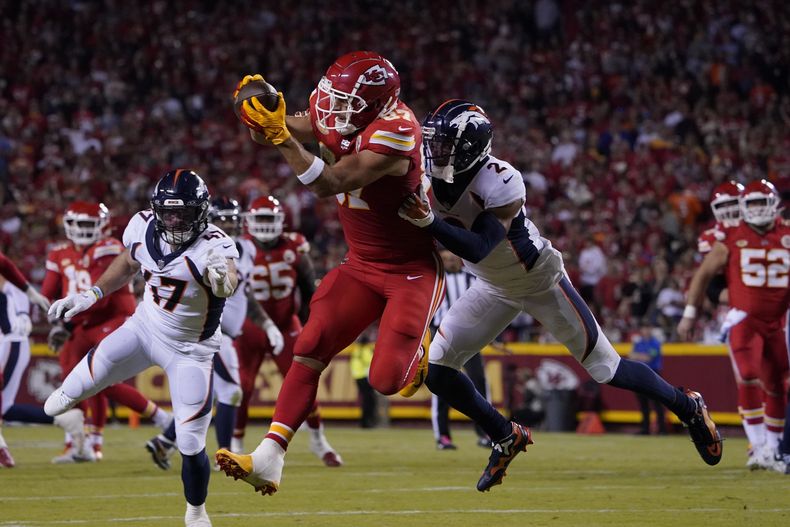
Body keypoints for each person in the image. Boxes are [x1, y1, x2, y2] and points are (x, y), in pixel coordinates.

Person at [398, 99, 723, 491]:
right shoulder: (425, 177)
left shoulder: (501, 180)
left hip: (539, 280)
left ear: (471, 148)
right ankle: (505, 435)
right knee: (438, 370)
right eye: (434, 141)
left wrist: (428, 221)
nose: (435, 151)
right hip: (491, 286)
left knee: (607, 368)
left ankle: (688, 406)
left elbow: (480, 246)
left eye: (446, 144)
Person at [216, 51, 445, 496]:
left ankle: (420, 350)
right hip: (361, 264)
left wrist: (281, 136)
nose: (331, 108)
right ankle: (268, 457)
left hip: (410, 270)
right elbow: (277, 130)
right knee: (309, 346)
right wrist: (257, 110)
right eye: (333, 97)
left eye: (346, 102)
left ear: (377, 104)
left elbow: (329, 183)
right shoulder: (340, 110)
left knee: (384, 381)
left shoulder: (397, 130)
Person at [44, 169, 239, 527]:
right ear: (156, 210)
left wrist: (221, 281)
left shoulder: (215, 243)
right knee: (70, 390)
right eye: (168, 212)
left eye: (183, 212)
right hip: (145, 328)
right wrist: (91, 294)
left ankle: (196, 511)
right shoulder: (142, 225)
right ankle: (73, 407)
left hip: (190, 350)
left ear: (201, 211)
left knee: (190, 443)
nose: (174, 220)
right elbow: (129, 261)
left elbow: (229, 280)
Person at [43, 201, 173, 462]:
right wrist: (56, 322)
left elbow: (102, 299)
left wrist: (65, 324)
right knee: (72, 379)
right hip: (80, 321)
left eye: (88, 224)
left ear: (102, 225)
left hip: (112, 317)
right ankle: (78, 444)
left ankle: (158, 420)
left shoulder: (109, 247)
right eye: (79, 224)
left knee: (102, 378)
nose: (83, 229)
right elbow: (48, 292)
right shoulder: (59, 253)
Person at [678, 179, 789, 473]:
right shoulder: (725, 237)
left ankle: (775, 448)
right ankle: (760, 446)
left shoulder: (784, 232)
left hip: (780, 316)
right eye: (723, 207)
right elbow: (712, 284)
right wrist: (743, 296)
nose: (730, 212)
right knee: (749, 376)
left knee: (779, 383)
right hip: (744, 316)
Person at [145, 196, 262, 470]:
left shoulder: (247, 248)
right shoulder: (205, 248)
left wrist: (266, 324)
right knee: (231, 392)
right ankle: (225, 455)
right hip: (212, 332)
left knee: (208, 394)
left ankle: (166, 440)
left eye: (232, 219)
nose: (228, 224)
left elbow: (243, 292)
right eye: (223, 219)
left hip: (229, 334)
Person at [231, 195, 341, 466]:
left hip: (285, 323)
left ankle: (318, 441)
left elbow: (308, 289)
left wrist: (309, 324)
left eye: (269, 218)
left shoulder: (294, 247)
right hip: (250, 326)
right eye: (260, 218)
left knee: (304, 382)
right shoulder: (239, 248)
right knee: (241, 388)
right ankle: (235, 444)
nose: (265, 224)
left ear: (280, 220)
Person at [0, 277, 87, 468]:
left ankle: (2, 451)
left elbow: (9, 316)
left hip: (10, 342)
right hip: (11, 341)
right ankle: (65, 419)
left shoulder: (10, 285)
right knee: (5, 408)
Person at [430, 249, 490, 450]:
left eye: (453, 258)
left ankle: (485, 432)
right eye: (446, 259)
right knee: (440, 386)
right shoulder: (435, 280)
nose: (450, 262)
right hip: (442, 339)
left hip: (469, 338)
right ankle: (443, 436)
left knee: (479, 384)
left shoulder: (472, 278)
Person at [629, 325, 666, 435]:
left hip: (653, 374)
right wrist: (641, 356)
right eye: (644, 328)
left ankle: (662, 429)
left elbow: (649, 358)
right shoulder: (638, 342)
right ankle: (645, 429)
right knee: (643, 403)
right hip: (640, 375)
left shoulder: (655, 343)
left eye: (648, 328)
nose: (645, 330)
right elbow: (631, 356)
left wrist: (638, 356)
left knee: (657, 403)